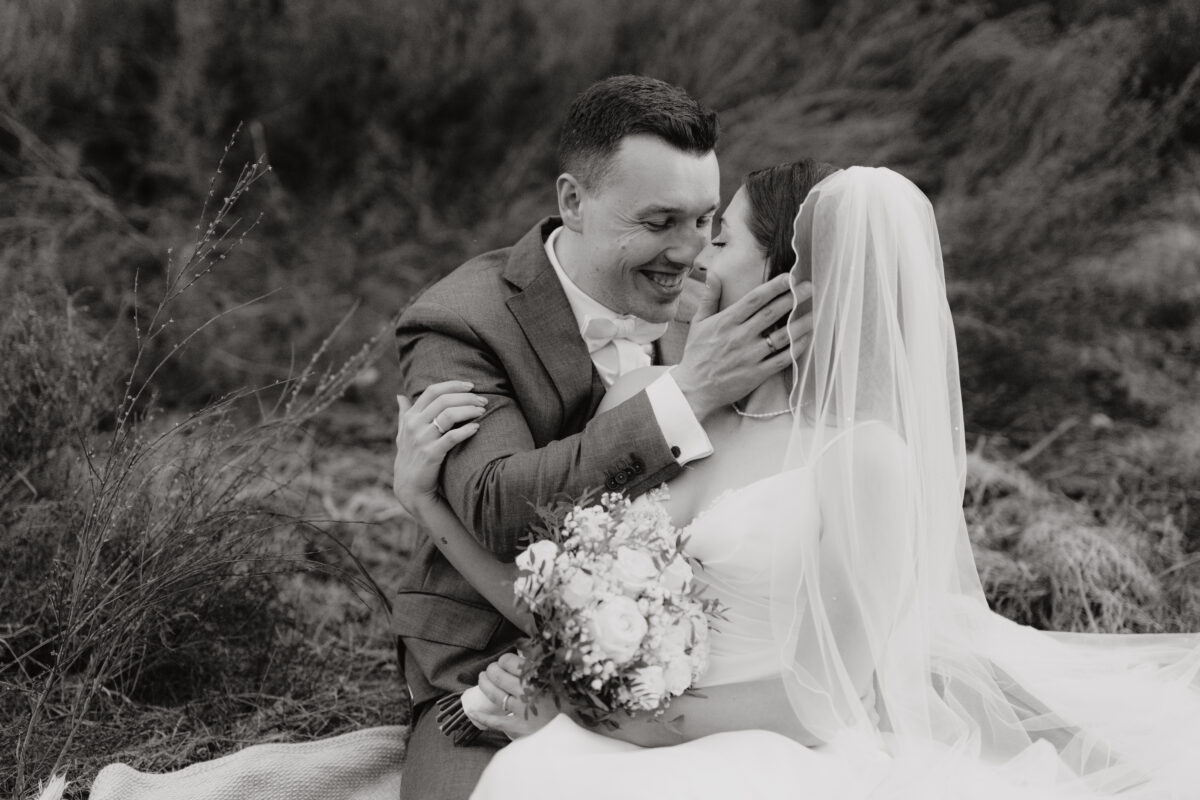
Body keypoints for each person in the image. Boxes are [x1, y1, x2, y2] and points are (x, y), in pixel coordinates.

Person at [394, 165, 1200, 798]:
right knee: (534, 778)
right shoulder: (660, 408)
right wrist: (427, 502)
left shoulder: (862, 458)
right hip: (610, 717)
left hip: (754, 747)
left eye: (721, 241)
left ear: (790, 283)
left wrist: (627, 720)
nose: (694, 256)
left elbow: (828, 694)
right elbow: (561, 597)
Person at [392, 75, 803, 799]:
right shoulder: (463, 321)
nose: (691, 252)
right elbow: (498, 513)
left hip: (690, 669)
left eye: (707, 220)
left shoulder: (716, 307)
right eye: (660, 222)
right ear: (573, 202)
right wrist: (692, 391)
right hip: (496, 659)